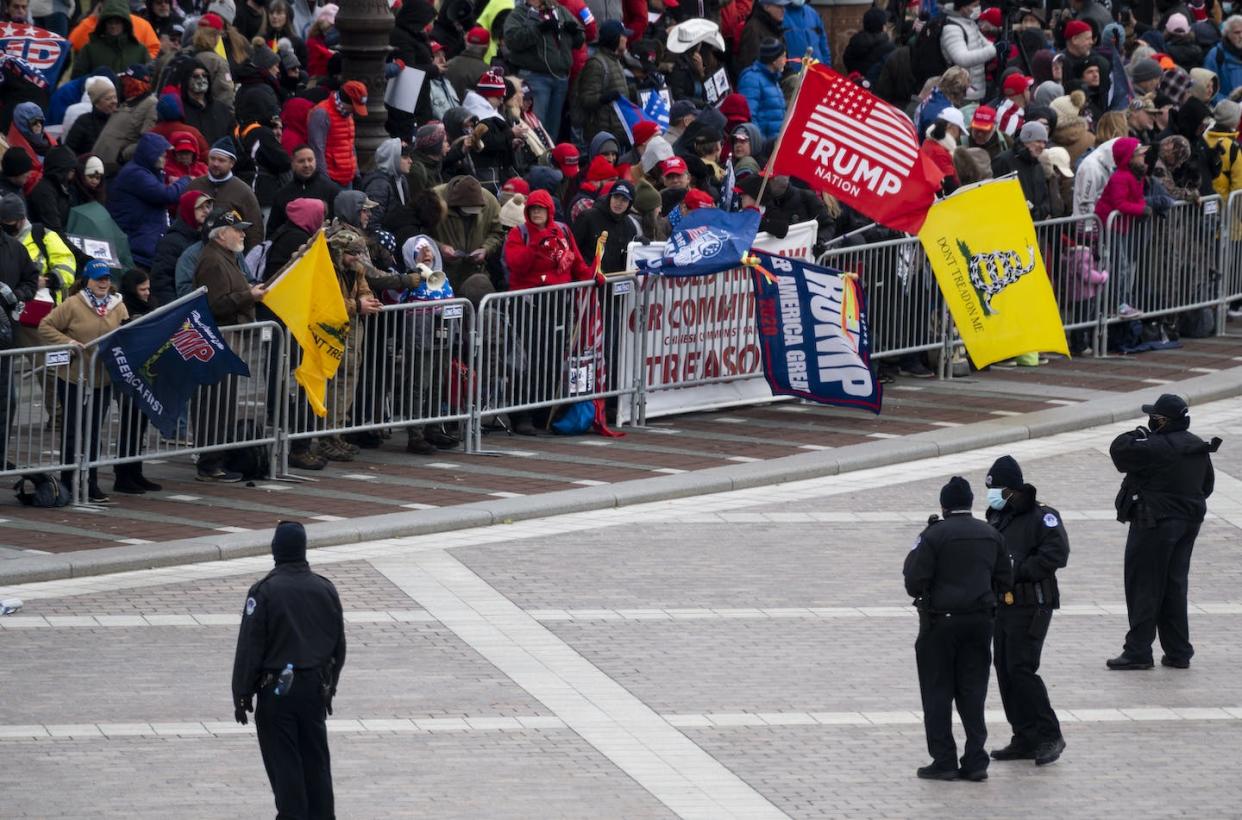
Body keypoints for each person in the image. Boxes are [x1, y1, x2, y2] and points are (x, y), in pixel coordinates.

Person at [232, 521, 346, 820]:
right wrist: (330, 687)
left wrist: (242, 693)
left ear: (276, 550)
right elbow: (339, 646)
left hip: (278, 694)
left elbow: (250, 648)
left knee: (285, 767)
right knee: (316, 764)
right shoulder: (325, 589)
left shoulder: (264, 591)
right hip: (313, 691)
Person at [904, 476, 1011, 781]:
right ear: (970, 503)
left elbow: (913, 580)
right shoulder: (991, 534)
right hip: (980, 623)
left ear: (944, 504)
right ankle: (976, 761)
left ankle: (944, 761)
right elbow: (1006, 578)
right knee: (973, 691)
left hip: (940, 623)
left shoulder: (934, 535)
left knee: (937, 692)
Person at [1108, 394, 1220, 670]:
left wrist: (1139, 433)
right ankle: (1179, 651)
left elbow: (1119, 450)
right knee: (1174, 586)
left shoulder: (1156, 446)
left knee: (1144, 585)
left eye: (1152, 418)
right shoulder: (1196, 445)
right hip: (1188, 524)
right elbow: (1207, 486)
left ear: (1161, 420)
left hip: (1154, 524)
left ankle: (1138, 651)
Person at [983, 455, 1069, 767]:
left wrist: (1015, 570)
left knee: (1022, 667)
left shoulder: (1042, 516)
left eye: (997, 490)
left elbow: (1057, 554)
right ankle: (1024, 735)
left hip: (1033, 603)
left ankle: (1049, 734)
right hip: (1003, 605)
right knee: (1004, 668)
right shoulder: (996, 515)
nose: (992, 496)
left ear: (1012, 490)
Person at [38, 260, 129, 504]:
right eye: (98, 278)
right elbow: (45, 326)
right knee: (72, 431)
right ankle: (68, 483)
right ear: (87, 280)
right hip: (73, 377)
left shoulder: (117, 306)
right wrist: (67, 343)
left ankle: (91, 483)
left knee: (93, 432)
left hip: (102, 378)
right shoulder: (73, 303)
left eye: (107, 278)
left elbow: (126, 331)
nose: (103, 283)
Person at [193, 208, 266, 482]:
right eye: (237, 229)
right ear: (222, 234)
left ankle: (215, 457)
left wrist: (248, 293)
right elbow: (216, 304)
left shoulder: (226, 257)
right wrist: (249, 296)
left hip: (228, 337)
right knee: (215, 401)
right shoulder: (213, 261)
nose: (243, 233)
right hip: (219, 337)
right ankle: (209, 462)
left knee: (224, 400)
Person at [503, 0, 584, 142]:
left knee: (553, 129)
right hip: (535, 77)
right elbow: (512, 40)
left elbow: (580, 38)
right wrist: (538, 29)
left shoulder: (560, 11)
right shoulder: (519, 14)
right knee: (535, 125)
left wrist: (575, 33)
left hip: (560, 77)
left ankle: (549, 160)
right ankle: (534, 158)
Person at [107, 132, 189, 269]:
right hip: (138, 245)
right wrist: (185, 180)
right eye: (162, 155)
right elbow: (166, 195)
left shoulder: (149, 172)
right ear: (151, 154)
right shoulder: (135, 174)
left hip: (148, 239)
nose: (165, 158)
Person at [113, 268, 162, 494]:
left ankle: (136, 471)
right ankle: (123, 474)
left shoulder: (151, 303)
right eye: (142, 289)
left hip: (145, 371)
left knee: (139, 424)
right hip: (127, 373)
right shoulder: (122, 306)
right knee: (129, 424)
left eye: (148, 288)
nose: (146, 293)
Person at [187, 139, 265, 251]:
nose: (215, 164)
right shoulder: (195, 186)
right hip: (195, 250)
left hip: (229, 253)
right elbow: (183, 219)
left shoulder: (243, 191)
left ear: (232, 163)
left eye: (221, 160)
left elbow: (254, 229)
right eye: (212, 159)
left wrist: (250, 258)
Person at [150, 190, 214, 305]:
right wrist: (175, 310)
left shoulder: (208, 239)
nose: (206, 211)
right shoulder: (170, 242)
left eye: (208, 207)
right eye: (200, 207)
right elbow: (162, 281)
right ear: (188, 210)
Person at [268, 144, 342, 235]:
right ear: (293, 164)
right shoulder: (282, 194)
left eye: (310, 160)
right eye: (301, 161)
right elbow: (273, 230)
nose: (306, 165)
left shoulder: (331, 190)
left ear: (315, 161)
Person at [307, 80, 368, 188]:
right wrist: (325, 181)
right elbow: (317, 149)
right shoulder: (321, 113)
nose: (355, 111)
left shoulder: (347, 114)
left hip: (348, 178)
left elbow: (350, 146)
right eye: (354, 106)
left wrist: (356, 174)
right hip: (331, 180)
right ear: (346, 100)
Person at [738, 37, 787, 141]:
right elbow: (749, 116)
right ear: (774, 60)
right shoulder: (751, 79)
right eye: (783, 56)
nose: (785, 60)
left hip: (776, 145)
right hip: (763, 148)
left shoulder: (774, 79)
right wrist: (761, 143)